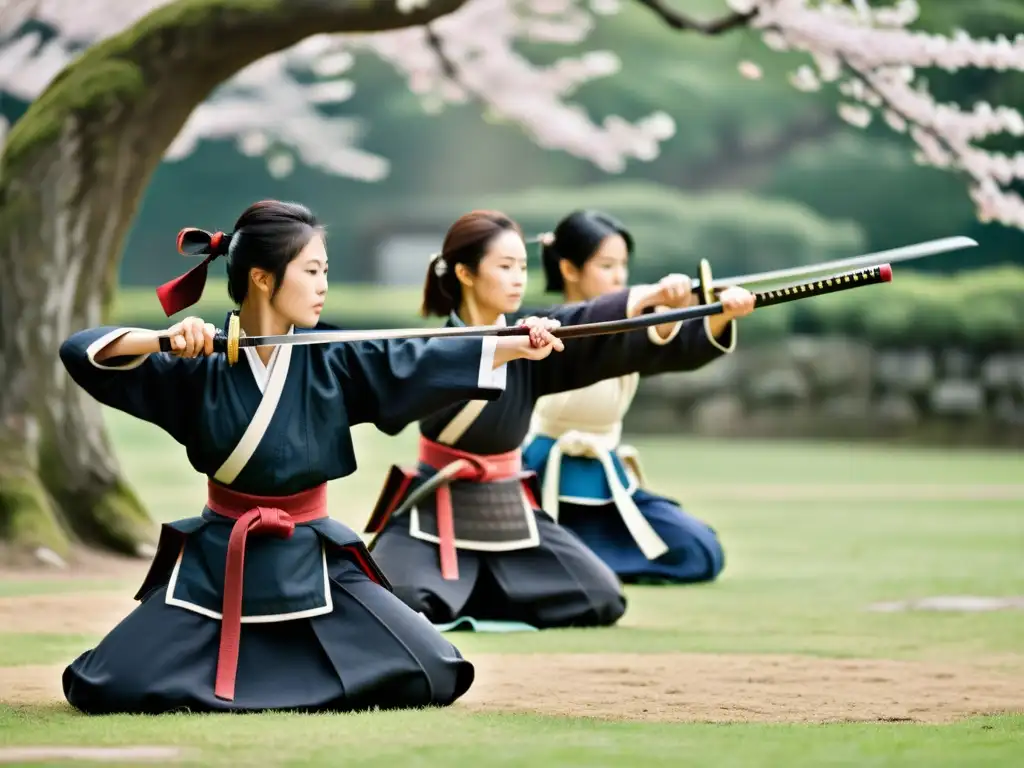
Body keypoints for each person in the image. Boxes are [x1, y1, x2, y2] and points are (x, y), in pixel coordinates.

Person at [57, 199, 564, 715]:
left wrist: (510, 344)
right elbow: (81, 350)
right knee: (104, 683)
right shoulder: (197, 366)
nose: (324, 284)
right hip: (217, 560)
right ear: (261, 277)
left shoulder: (333, 356)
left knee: (436, 666)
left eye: (326, 271)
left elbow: (416, 358)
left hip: (312, 555)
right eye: (312, 271)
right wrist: (165, 338)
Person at [364, 209, 755, 630]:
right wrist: (504, 349)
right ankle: (465, 591)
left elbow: (586, 330)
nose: (517, 278)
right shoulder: (438, 350)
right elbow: (415, 380)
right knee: (402, 605)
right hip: (437, 506)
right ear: (465, 272)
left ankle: (474, 594)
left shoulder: (531, 342)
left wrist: (688, 311)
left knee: (600, 598)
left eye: (522, 267)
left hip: (507, 503)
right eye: (504, 267)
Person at [521, 210, 741, 585]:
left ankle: (587, 567)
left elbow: (669, 347)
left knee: (700, 550)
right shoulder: (539, 326)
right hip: (542, 476)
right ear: (570, 269)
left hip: (604, 472)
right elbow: (602, 334)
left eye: (623, 265)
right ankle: (580, 566)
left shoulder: (628, 326)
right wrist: (655, 307)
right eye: (607, 265)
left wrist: (719, 315)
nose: (619, 276)